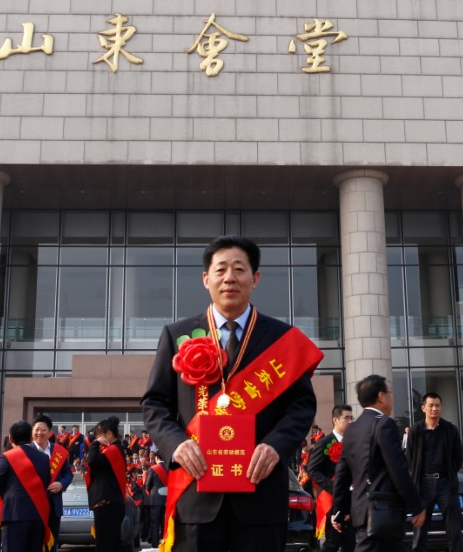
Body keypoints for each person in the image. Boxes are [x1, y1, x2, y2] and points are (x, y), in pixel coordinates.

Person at [142, 235, 322, 552]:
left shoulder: (282, 339)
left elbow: (301, 406)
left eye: (239, 269)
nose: (229, 278)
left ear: (255, 278)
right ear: (206, 279)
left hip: (261, 493)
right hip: (196, 495)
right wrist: (177, 444)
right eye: (221, 269)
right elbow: (155, 403)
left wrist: (275, 446)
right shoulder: (177, 335)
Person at [332, 375, 425, 552]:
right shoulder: (385, 424)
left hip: (361, 510)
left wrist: (339, 510)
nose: (392, 397)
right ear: (381, 396)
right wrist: (416, 505)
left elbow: (342, 474)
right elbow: (398, 469)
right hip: (383, 511)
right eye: (390, 393)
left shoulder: (352, 429)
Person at [405, 392, 463, 552]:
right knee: (420, 530)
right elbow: (409, 458)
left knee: (454, 529)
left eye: (437, 405)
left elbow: (458, 457)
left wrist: (450, 473)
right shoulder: (415, 430)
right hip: (423, 484)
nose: (434, 408)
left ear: (441, 407)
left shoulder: (450, 430)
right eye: (430, 405)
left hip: (446, 483)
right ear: (423, 408)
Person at [0, 420, 52, 552]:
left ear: (10, 439)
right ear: (31, 437)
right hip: (37, 514)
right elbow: (46, 482)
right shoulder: (44, 458)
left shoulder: (7, 457)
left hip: (14, 514)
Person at [308, 405, 355, 552]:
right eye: (346, 418)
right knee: (333, 542)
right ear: (335, 420)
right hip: (332, 499)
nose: (350, 421)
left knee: (351, 542)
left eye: (351, 418)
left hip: (351, 499)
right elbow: (313, 470)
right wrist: (334, 487)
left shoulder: (352, 442)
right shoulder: (324, 443)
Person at [31, 414, 73, 549]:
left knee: (52, 542)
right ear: (32, 432)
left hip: (54, 504)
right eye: (37, 430)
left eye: (43, 430)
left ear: (49, 432)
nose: (39, 433)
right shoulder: (26, 451)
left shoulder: (59, 451)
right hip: (33, 505)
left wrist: (62, 484)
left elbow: (68, 473)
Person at [86, 416, 127, 552]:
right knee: (111, 545)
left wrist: (95, 444)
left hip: (107, 505)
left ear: (109, 434)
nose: (97, 438)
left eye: (98, 435)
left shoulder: (113, 450)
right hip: (110, 504)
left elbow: (92, 461)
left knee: (105, 546)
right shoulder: (113, 450)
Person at [144, 452, 168, 548]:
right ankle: (164, 544)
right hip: (167, 499)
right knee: (164, 523)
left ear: (156, 457)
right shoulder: (169, 468)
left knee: (155, 523)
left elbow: (147, 485)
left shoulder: (153, 468)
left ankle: (155, 545)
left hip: (155, 500)